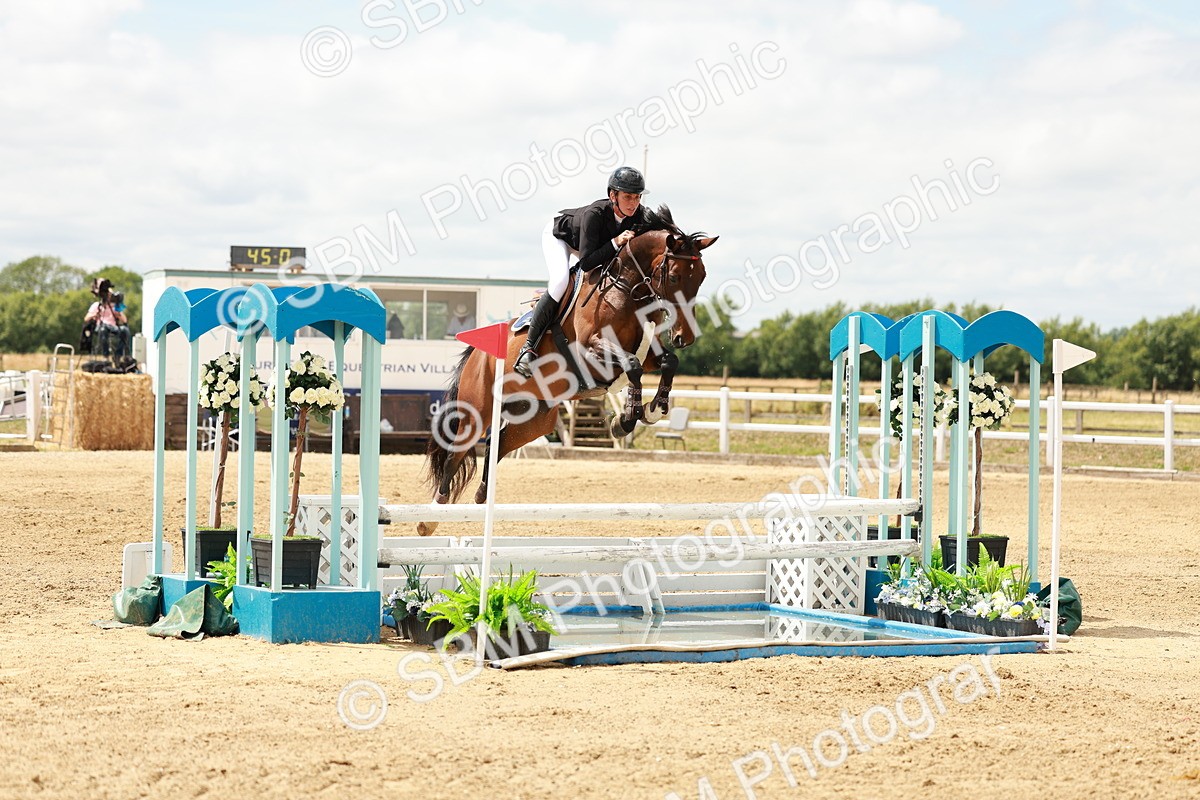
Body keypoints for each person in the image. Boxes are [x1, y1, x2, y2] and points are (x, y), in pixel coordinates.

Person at [513, 165, 648, 378]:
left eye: (637, 197)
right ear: (613, 196)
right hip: (562, 237)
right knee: (560, 282)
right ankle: (527, 349)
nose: (634, 203)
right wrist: (615, 242)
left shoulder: (639, 214)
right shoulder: (595, 214)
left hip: (592, 246)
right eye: (628, 197)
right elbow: (586, 263)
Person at [85, 287, 129, 359]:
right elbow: (86, 318)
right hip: (100, 327)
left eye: (110, 295)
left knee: (125, 330)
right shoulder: (97, 305)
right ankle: (106, 356)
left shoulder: (115, 306)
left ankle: (118, 355)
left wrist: (118, 313)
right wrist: (95, 314)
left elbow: (125, 320)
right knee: (103, 329)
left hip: (113, 327)